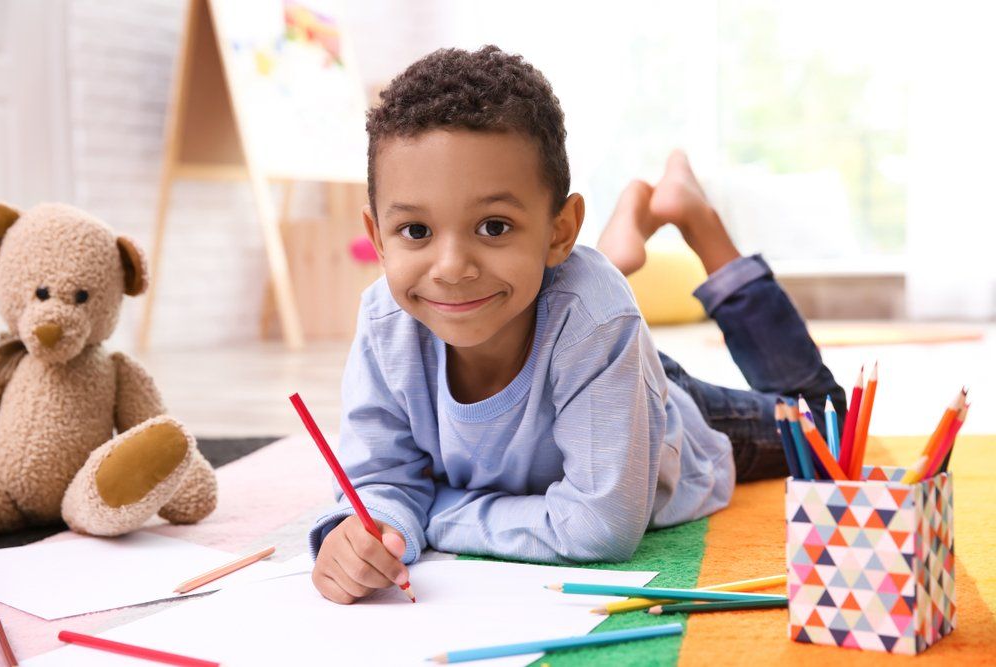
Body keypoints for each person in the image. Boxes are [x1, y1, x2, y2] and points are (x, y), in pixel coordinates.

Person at [308, 45, 846, 604]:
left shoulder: (595, 321)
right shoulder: (384, 321)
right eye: (416, 232)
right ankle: (613, 248)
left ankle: (697, 218)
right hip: (580, 351)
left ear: (559, 230)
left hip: (653, 410)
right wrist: (372, 527)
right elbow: (379, 482)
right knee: (584, 296)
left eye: (494, 226)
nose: (450, 269)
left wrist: (430, 513)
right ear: (377, 237)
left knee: (829, 425)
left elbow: (599, 528)